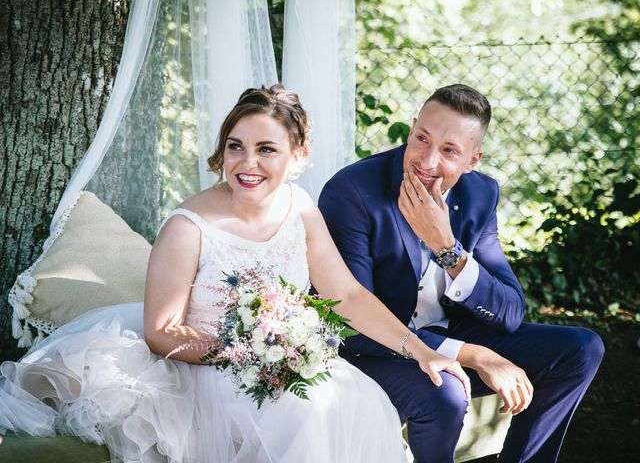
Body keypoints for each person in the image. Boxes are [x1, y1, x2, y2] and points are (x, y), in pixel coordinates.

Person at [0, 85, 471, 463]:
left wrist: (421, 352)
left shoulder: (300, 207)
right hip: (203, 369)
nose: (247, 164)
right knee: (302, 414)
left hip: (284, 365)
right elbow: (161, 333)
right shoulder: (190, 226)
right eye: (236, 147)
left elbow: (345, 294)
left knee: (357, 404)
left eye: (267, 149)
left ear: (298, 156)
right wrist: (247, 353)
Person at [318, 83, 605, 463]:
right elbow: (351, 325)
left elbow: (509, 312)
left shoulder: (479, 194)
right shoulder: (352, 192)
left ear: (472, 160)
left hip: (447, 331)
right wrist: (473, 355)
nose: (427, 160)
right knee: (446, 393)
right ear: (411, 130)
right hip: (377, 350)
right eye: (422, 139)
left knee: (581, 350)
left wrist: (446, 248)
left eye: (449, 150)